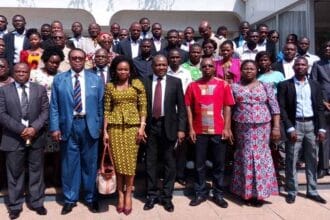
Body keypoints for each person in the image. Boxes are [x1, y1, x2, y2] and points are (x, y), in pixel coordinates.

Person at [49, 48, 104, 215]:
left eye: (80, 58)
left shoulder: (96, 79)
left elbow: (101, 106)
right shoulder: (59, 79)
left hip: (89, 126)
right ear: (69, 59)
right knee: (69, 165)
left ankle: (90, 197)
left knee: (90, 164)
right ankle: (70, 199)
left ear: (85, 59)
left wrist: (100, 126)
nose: (78, 61)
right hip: (68, 126)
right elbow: (54, 106)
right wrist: (55, 127)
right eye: (74, 58)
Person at [0, 62, 49, 219]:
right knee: (15, 173)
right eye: (18, 71)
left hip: (36, 137)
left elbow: (45, 111)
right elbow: (2, 114)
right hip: (14, 137)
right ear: (13, 73)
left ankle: (37, 202)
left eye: (24, 71)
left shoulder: (39, 89)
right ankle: (15, 205)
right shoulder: (3, 91)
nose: (21, 74)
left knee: (36, 171)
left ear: (29, 73)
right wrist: (21, 130)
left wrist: (34, 128)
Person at [186, 57, 235, 208]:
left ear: (215, 68)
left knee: (219, 164)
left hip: (218, 130)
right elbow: (188, 107)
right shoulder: (193, 85)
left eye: (210, 66)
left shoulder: (223, 84)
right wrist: (191, 128)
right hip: (199, 130)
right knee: (199, 164)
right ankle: (200, 193)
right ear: (200, 68)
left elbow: (228, 106)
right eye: (204, 66)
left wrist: (227, 127)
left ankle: (218, 193)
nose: (207, 68)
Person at [230, 60, 280, 206]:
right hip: (242, 127)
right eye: (246, 69)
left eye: (252, 68)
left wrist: (276, 127)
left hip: (262, 127)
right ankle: (245, 192)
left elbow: (275, 108)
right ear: (241, 70)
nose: (249, 71)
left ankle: (260, 194)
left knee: (260, 157)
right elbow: (230, 108)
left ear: (257, 70)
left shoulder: (265, 86)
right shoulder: (234, 87)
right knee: (244, 155)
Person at [278, 57, 327, 204]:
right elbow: (282, 108)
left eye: (303, 64)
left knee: (312, 159)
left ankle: (312, 190)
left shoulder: (315, 85)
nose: (300, 67)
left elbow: (319, 108)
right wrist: (289, 127)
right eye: (297, 64)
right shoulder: (285, 85)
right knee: (291, 159)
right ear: (293, 68)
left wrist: (322, 128)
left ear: (307, 67)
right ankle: (292, 190)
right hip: (295, 126)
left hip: (312, 126)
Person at [103, 55, 147, 215]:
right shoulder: (110, 86)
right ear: (115, 70)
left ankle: (128, 193)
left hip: (132, 129)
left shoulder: (137, 84)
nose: (123, 71)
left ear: (130, 71)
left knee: (129, 164)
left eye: (126, 69)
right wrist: (105, 132)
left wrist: (142, 127)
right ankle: (119, 194)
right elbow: (107, 110)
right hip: (114, 129)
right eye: (120, 69)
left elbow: (143, 107)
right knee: (118, 164)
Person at [143, 55, 187, 212]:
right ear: (152, 66)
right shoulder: (145, 81)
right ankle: (152, 195)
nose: (161, 67)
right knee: (151, 162)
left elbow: (181, 107)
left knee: (170, 163)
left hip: (169, 126)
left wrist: (181, 129)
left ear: (167, 66)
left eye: (163, 65)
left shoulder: (175, 82)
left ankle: (167, 197)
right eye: (157, 65)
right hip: (150, 127)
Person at [310, 40, 330, 178]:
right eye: (326, 46)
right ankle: (323, 167)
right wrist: (322, 102)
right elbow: (314, 84)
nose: (328, 48)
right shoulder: (317, 65)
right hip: (324, 105)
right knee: (324, 136)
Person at [0, 58, 14, 190]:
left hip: (11, 127)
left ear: (8, 68)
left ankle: (7, 183)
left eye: (2, 66)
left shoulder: (14, 83)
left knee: (9, 158)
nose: (0, 68)